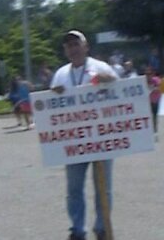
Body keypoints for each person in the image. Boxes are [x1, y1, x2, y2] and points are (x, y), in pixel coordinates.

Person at [50, 30, 118, 240]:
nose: (73, 48)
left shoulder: (101, 67)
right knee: (74, 189)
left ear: (86, 46)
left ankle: (102, 225)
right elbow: (52, 107)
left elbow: (123, 93)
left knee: (103, 187)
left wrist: (111, 81)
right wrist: (55, 95)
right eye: (69, 45)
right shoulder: (61, 74)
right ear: (65, 50)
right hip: (73, 142)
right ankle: (77, 229)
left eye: (76, 44)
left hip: (101, 138)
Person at [145, 66, 161, 140]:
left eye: (149, 73)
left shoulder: (156, 80)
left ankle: (155, 131)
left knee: (154, 117)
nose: (148, 75)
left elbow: (158, 88)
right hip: (147, 102)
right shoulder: (143, 81)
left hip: (155, 101)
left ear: (152, 74)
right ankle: (149, 132)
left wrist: (152, 88)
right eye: (147, 74)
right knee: (148, 117)